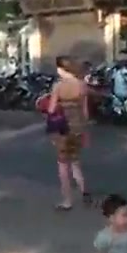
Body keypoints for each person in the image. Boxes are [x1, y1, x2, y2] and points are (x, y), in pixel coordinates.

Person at [46, 56, 92, 210]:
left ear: (60, 69)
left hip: (62, 128)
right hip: (78, 127)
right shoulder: (82, 85)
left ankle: (67, 200)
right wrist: (85, 130)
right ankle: (84, 190)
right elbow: (85, 111)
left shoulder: (58, 86)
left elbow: (51, 109)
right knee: (75, 161)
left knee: (63, 164)